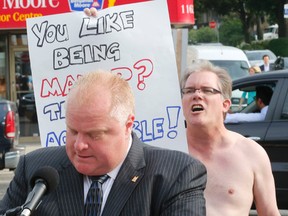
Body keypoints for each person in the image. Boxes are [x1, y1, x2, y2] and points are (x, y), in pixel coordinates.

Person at [0, 70, 207, 216]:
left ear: (128, 125)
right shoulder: (35, 170)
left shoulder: (177, 175)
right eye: (72, 131)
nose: (79, 145)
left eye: (94, 134)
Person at [181, 60, 280, 216]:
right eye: (190, 90)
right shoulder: (166, 150)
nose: (197, 95)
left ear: (225, 104)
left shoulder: (251, 153)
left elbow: (269, 212)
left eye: (207, 90)